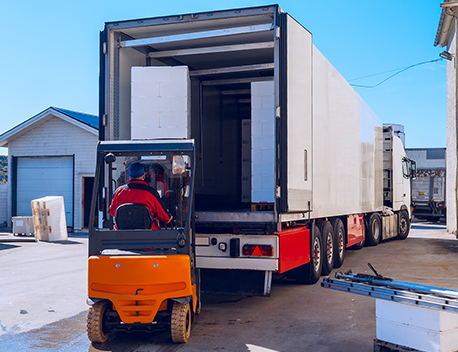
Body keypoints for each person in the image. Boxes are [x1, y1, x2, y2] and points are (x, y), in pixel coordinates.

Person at [110, 162, 171, 229]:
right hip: (149, 236)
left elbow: (113, 212)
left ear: (129, 175)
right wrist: (170, 218)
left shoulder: (119, 192)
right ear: (144, 176)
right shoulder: (150, 193)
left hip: (122, 235)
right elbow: (165, 218)